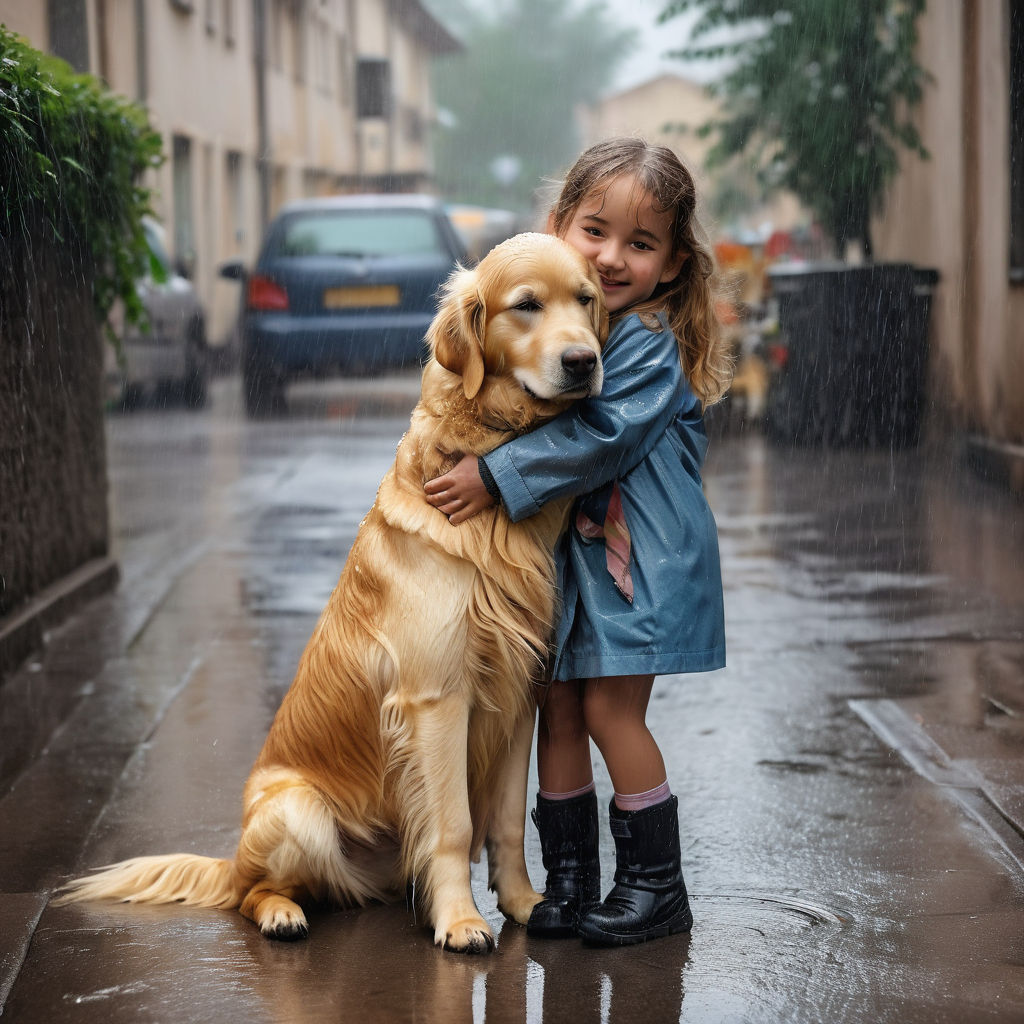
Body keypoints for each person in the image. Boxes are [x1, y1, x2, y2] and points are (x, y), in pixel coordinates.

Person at [424, 137, 730, 946]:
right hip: (575, 562)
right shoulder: (567, 323)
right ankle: (566, 883)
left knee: (606, 709)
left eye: (640, 243)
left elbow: (600, 437)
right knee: (555, 705)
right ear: (559, 225)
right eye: (595, 230)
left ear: (671, 264)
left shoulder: (645, 340)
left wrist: (493, 477)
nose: (612, 257)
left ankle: (655, 886)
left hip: (642, 562)